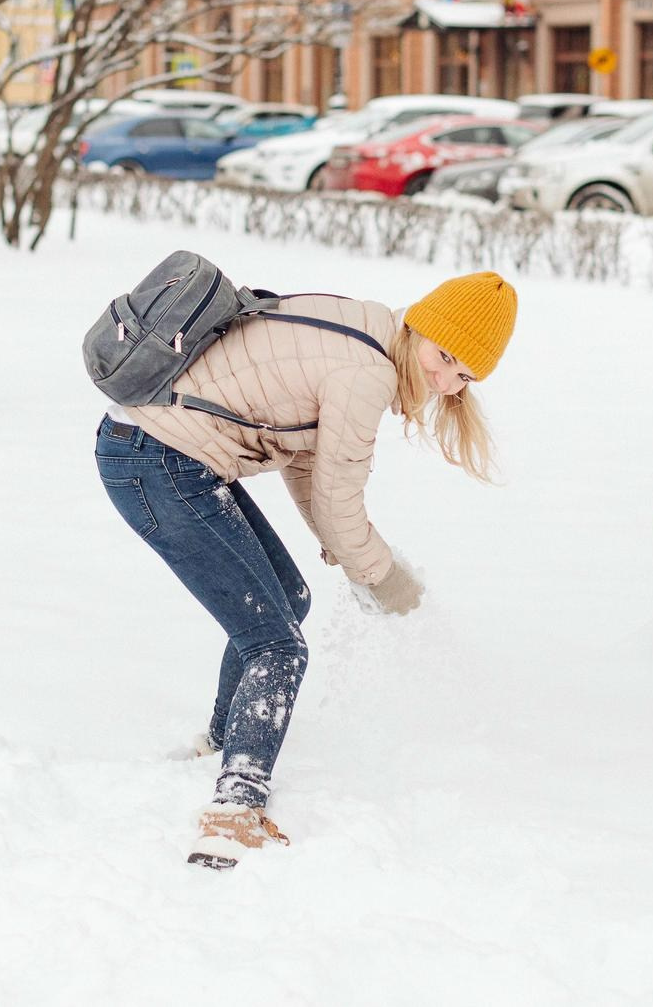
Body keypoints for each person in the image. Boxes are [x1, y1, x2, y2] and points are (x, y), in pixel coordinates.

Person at [95, 271, 518, 868]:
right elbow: (339, 500)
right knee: (277, 646)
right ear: (421, 324)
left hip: (157, 450)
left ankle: (219, 744)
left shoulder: (364, 327)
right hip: (157, 459)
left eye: (464, 377)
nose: (445, 381)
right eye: (444, 356)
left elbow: (308, 463)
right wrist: (387, 582)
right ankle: (233, 812)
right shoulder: (368, 372)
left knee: (287, 602)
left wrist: (349, 557)